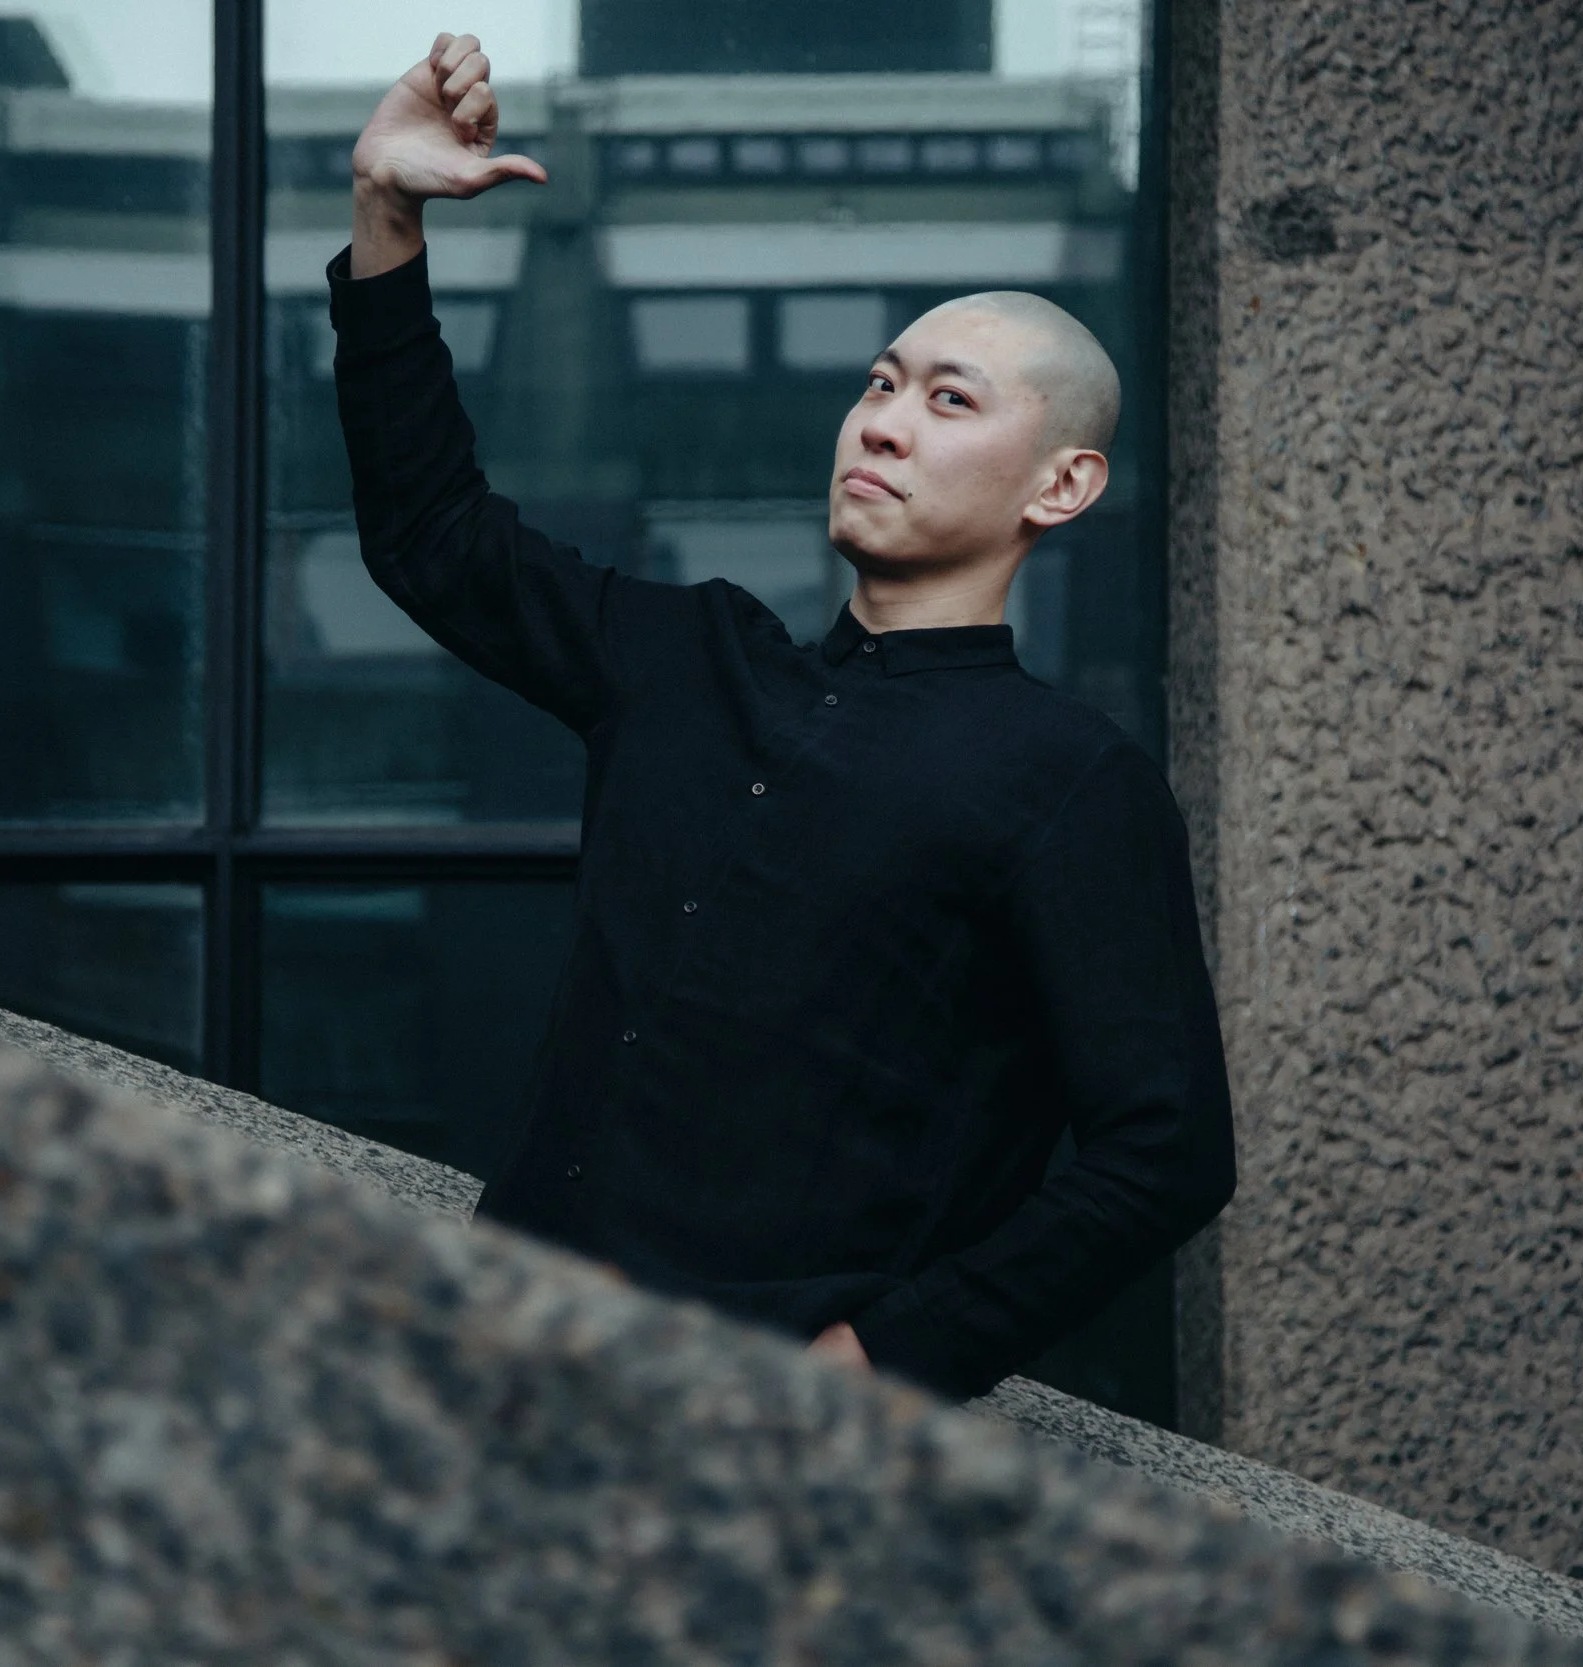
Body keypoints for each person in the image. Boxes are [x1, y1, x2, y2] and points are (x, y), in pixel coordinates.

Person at [328, 33, 1234, 1401]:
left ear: (1061, 486)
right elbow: (433, 536)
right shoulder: (689, 661)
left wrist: (891, 1356)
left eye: (948, 400)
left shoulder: (1070, 781)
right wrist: (386, 214)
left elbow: (1165, 1149)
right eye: (879, 383)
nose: (882, 423)